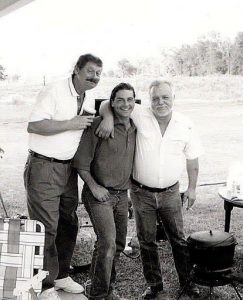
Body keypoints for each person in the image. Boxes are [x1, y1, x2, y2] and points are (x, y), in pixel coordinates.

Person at [97, 79, 203, 300]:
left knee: (179, 239)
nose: (160, 102)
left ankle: (188, 283)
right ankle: (154, 286)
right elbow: (107, 103)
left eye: (165, 97)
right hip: (141, 192)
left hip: (171, 192)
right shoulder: (139, 114)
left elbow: (192, 160)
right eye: (155, 98)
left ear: (174, 98)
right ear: (148, 99)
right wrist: (107, 117)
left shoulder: (186, 124)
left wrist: (192, 188)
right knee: (146, 241)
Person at [24, 53, 103, 300]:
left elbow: (103, 109)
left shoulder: (84, 96)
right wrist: (71, 123)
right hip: (44, 167)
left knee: (68, 222)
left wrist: (106, 114)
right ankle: (44, 286)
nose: (95, 77)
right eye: (90, 71)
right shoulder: (55, 90)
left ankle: (60, 275)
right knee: (45, 227)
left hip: (67, 169)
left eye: (99, 73)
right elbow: (34, 125)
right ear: (76, 70)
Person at [72, 83, 137, 300]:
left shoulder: (136, 126)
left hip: (121, 194)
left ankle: (106, 288)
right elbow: (81, 163)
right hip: (98, 194)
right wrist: (94, 186)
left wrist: (126, 195)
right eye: (120, 100)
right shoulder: (100, 125)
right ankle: (98, 295)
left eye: (130, 99)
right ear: (112, 102)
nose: (125, 104)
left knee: (117, 244)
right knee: (107, 243)